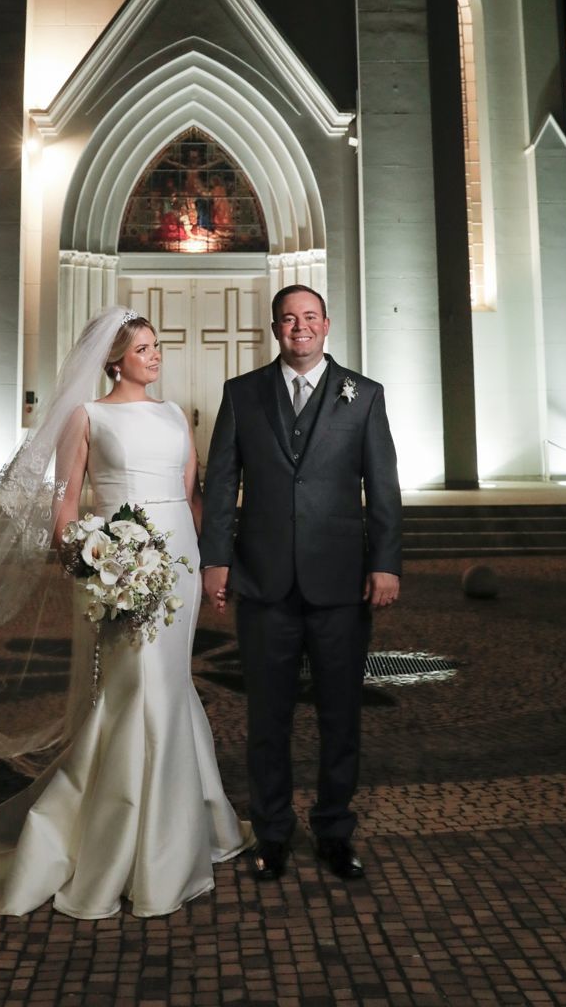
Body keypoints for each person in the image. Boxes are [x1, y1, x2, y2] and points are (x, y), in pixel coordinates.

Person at [0, 312, 252, 918]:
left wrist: (213, 561)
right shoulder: (88, 417)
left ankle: (184, 824)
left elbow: (190, 496)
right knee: (135, 691)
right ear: (115, 360)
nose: (156, 356)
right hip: (121, 564)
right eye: (143, 349)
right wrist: (89, 560)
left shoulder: (173, 414)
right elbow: (65, 505)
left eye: (157, 346)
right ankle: (125, 840)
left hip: (177, 564)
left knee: (170, 685)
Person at [200, 284, 401, 882]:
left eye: (310, 317)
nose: (300, 327)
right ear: (274, 328)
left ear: (327, 324)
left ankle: (335, 832)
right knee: (268, 718)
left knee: (342, 716)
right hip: (263, 585)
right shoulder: (243, 394)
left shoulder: (363, 396)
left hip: (340, 585)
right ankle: (273, 833)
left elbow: (383, 488)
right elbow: (220, 485)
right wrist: (217, 560)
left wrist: (385, 563)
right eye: (289, 319)